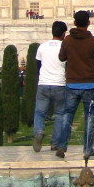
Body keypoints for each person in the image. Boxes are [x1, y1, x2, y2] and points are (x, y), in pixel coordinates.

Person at [58, 10, 94, 160]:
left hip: (72, 84)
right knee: (90, 118)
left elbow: (61, 57)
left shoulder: (67, 40)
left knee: (67, 116)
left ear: (74, 23)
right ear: (88, 23)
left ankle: (62, 146)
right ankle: (87, 150)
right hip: (89, 85)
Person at [32, 19, 68, 153]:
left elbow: (38, 66)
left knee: (40, 113)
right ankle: (55, 143)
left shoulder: (42, 46)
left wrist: (42, 79)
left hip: (43, 84)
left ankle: (39, 132)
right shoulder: (65, 47)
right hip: (59, 84)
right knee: (59, 114)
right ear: (64, 33)